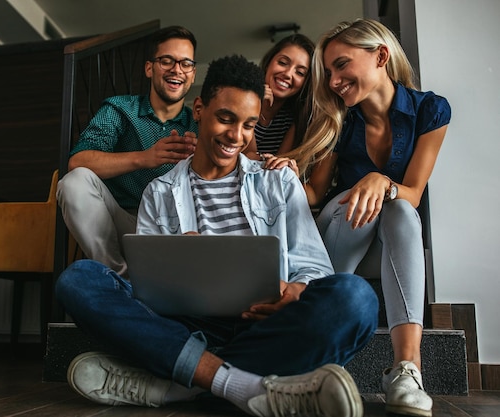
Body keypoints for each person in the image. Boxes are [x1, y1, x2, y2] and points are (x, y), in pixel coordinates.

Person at [55, 55, 378, 417]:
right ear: (199, 108)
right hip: (189, 327)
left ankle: (182, 384)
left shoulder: (279, 180)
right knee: (78, 280)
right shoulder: (159, 192)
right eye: (226, 118)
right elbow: (147, 292)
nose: (236, 136)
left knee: (357, 299)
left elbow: (314, 266)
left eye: (248, 125)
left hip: (266, 324)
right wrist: (177, 264)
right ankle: (240, 386)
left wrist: (297, 290)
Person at [302, 19, 451, 417]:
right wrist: (280, 176)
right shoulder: (338, 118)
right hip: (340, 237)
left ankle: (406, 370)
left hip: (389, 246)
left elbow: (414, 193)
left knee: (400, 207)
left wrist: (380, 181)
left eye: (341, 65)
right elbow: (315, 193)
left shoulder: (430, 110)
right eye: (329, 72)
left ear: (380, 55)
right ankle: (316, 349)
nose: (333, 80)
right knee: (362, 201)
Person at [56, 26, 199, 276]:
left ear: (193, 74)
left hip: (173, 230)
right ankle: (119, 279)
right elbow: (78, 161)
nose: (177, 69)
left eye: (185, 63)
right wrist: (145, 158)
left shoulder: (200, 122)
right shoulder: (120, 109)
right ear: (149, 68)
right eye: (167, 60)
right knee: (73, 182)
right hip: (122, 222)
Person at [243, 34, 315, 174]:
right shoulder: (241, 98)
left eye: (300, 72)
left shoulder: (294, 119)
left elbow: (277, 166)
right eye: (282, 63)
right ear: (269, 62)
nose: (288, 74)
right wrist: (254, 104)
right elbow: (246, 156)